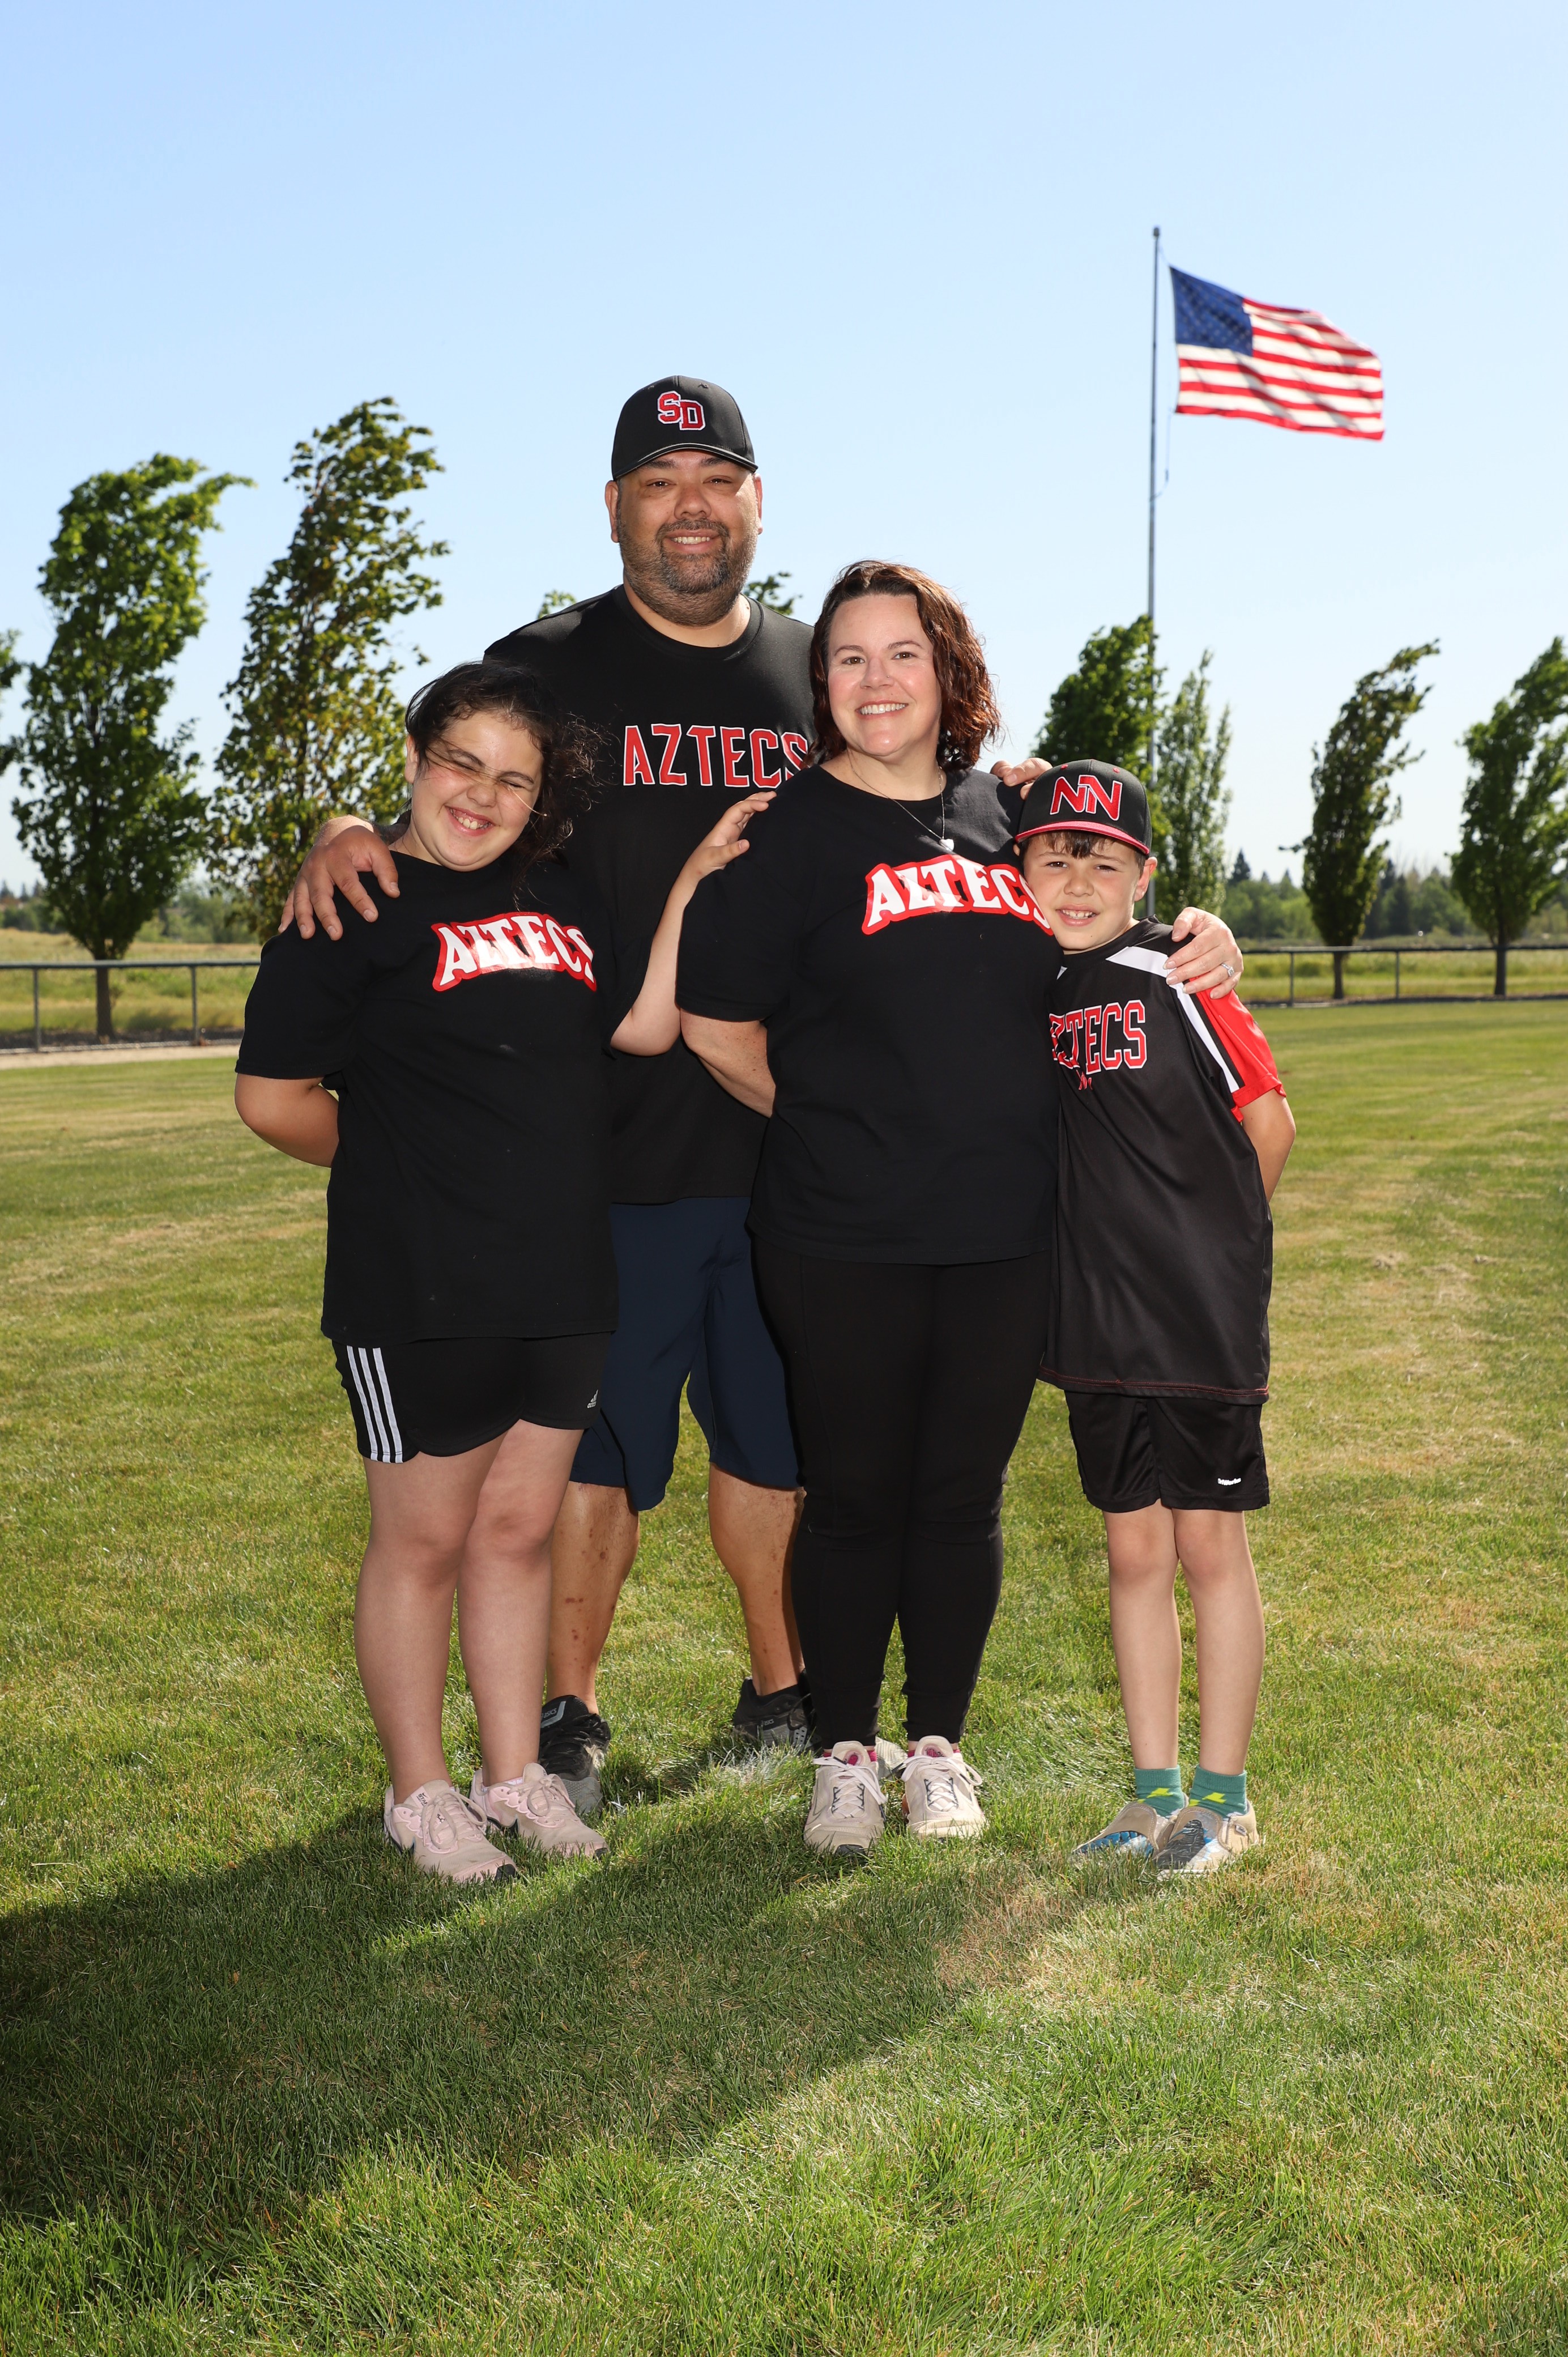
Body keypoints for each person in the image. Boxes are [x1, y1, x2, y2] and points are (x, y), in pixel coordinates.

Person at [280, 380, 821, 1810]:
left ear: (758, 500)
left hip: (785, 1140)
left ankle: (784, 1686)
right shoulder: (547, 662)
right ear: (614, 507)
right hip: (599, 1154)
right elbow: (448, 798)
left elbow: (915, 786)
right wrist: (338, 824)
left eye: (717, 479)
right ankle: (566, 1718)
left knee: (775, 1440)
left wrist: (1019, 784)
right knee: (591, 1465)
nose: (690, 508)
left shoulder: (817, 667)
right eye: (659, 482)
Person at [676, 563, 1249, 1863]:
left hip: (1006, 1230)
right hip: (839, 1232)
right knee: (852, 1497)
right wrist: (836, 1119)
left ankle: (936, 1749)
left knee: (958, 1497)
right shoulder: (792, 831)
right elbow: (713, 1024)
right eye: (848, 658)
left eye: (903, 654)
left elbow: (1104, 902)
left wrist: (1200, 929)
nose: (874, 681)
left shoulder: (1007, 815)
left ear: (949, 674)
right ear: (821, 683)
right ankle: (843, 1756)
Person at [235, 660, 768, 1884]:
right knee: (421, 1542)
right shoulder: (353, 900)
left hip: (563, 1275)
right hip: (415, 1286)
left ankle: (511, 1773)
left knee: (519, 1532)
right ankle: (418, 1792)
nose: (481, 795)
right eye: (461, 763)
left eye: (514, 781)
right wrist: (395, 1166)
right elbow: (271, 1099)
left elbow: (637, 1028)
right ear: (415, 759)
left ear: (540, 802)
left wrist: (690, 883)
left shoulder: (557, 894)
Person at [1016, 763, 1294, 1876]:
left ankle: (1224, 1804)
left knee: (1206, 1544)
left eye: (1103, 861)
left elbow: (1268, 1121)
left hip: (1192, 1324)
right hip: (1095, 1325)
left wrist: (1215, 1262)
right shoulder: (1035, 987)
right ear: (1020, 870)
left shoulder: (1177, 971)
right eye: (1053, 858)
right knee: (1132, 1550)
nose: (1076, 881)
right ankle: (1153, 1795)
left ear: (1143, 875)